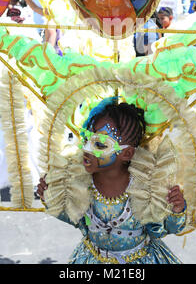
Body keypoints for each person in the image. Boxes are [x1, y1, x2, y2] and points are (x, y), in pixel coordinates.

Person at [37, 100, 186, 264]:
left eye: (99, 144)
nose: (86, 149)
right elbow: (75, 219)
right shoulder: (80, 182)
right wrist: (51, 199)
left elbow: (162, 229)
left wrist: (176, 210)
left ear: (127, 153)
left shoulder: (145, 187)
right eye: (86, 139)